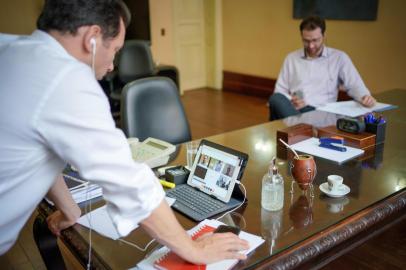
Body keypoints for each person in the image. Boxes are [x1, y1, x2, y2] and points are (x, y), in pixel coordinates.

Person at [0, 0, 249, 264]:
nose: (111, 66)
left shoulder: (11, 48)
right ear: (92, 38)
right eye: (115, 50)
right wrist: (194, 249)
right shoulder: (66, 80)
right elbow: (131, 185)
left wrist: (69, 209)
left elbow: (40, 146)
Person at [268, 16, 376, 121]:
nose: (311, 46)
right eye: (306, 41)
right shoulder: (291, 58)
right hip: (295, 110)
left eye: (315, 40)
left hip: (323, 112)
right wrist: (290, 100)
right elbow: (280, 91)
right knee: (275, 99)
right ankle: (302, 129)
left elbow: (355, 84)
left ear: (324, 36)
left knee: (281, 118)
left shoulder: (339, 57)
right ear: (301, 36)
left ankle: (298, 130)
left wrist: (365, 97)